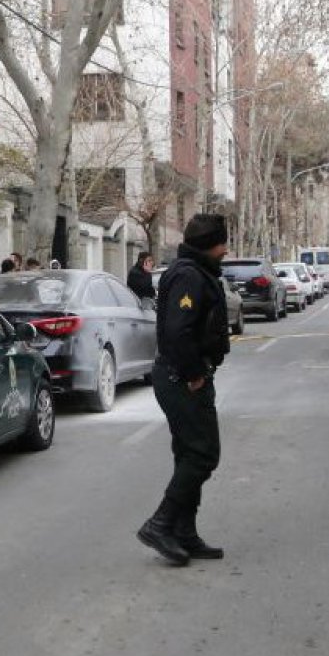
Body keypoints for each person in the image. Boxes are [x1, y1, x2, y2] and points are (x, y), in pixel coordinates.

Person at [138, 213, 231, 565]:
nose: (226, 250)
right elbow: (178, 331)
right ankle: (160, 524)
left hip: (182, 376)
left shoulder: (195, 271)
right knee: (203, 454)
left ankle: (184, 533)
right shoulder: (189, 276)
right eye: (222, 243)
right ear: (210, 245)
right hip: (182, 378)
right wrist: (194, 373)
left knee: (188, 454)